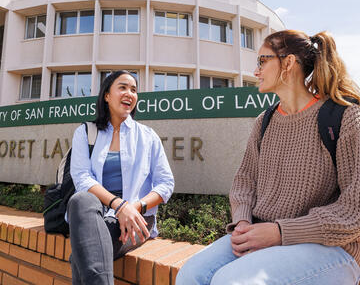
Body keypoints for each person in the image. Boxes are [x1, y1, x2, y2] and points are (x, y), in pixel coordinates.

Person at [176, 30, 360, 285]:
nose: (256, 71)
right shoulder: (265, 121)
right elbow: (244, 181)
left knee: (231, 282)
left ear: (288, 63)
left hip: (331, 246)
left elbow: (354, 211)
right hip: (263, 232)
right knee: (190, 274)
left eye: (262, 61)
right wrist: (242, 221)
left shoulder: (345, 117)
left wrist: (280, 232)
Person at [67, 70, 174, 285]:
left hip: (137, 218)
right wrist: (119, 206)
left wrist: (134, 208)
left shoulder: (147, 136)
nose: (130, 93)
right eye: (123, 87)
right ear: (107, 95)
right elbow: (82, 178)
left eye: (134, 90)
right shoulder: (85, 132)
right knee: (80, 199)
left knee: (80, 257)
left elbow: (166, 183)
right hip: (95, 214)